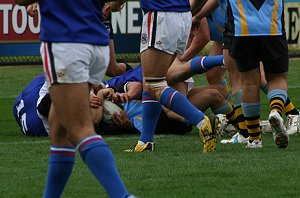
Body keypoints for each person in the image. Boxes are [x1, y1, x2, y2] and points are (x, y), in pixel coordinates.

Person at [15, 0, 134, 197]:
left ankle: (122, 195)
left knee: (80, 129)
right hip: (96, 42)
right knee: (60, 129)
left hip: (66, 41)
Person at [127, 0, 221, 153]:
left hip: (161, 14)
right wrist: (190, 10)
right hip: (182, 15)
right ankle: (145, 141)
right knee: (152, 81)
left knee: (153, 83)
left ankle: (202, 121)